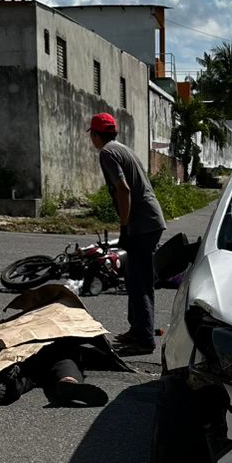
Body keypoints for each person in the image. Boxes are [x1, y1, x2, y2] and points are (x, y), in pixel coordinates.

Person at [88, 112, 165, 353]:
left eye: (92, 134)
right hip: (149, 221)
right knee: (133, 279)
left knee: (140, 282)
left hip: (142, 224)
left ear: (96, 134)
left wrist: (124, 226)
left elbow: (124, 189)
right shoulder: (122, 149)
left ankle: (144, 340)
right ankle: (137, 330)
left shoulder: (107, 153)